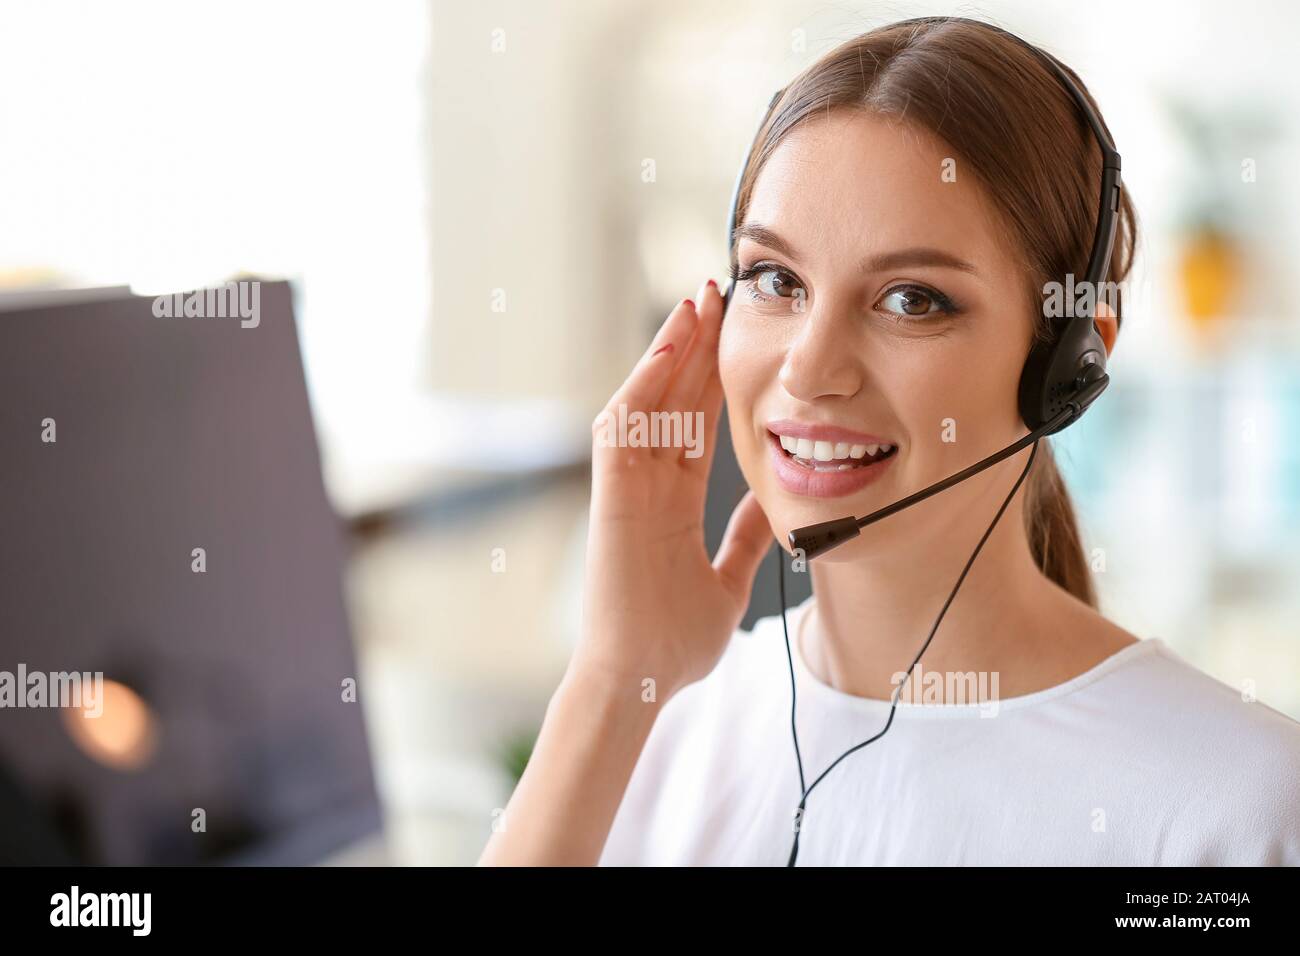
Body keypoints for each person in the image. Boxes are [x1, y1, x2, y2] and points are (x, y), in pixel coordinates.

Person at [478, 17, 1300, 866]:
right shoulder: (654, 728)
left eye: (912, 299)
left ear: (1067, 364)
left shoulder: (1238, 811)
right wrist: (615, 677)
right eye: (776, 280)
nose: (809, 369)